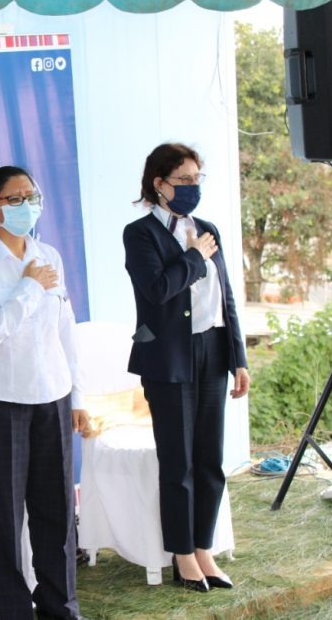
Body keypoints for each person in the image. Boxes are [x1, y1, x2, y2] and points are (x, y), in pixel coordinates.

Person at [0, 166, 90, 620]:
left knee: (57, 515)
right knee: (4, 520)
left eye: (31, 196)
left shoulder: (48, 254)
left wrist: (78, 397)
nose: (27, 205)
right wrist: (30, 285)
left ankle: (61, 608)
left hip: (52, 395)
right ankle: (15, 612)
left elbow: (66, 329)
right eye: (15, 199)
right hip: (1, 404)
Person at [122, 142, 250, 592]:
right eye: (184, 180)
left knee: (210, 459)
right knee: (179, 462)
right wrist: (194, 257)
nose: (193, 187)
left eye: (198, 179)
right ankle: (181, 554)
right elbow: (158, 290)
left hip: (213, 350)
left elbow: (225, 297)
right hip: (169, 357)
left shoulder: (207, 229)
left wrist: (238, 357)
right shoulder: (140, 234)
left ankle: (203, 548)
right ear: (159, 184)